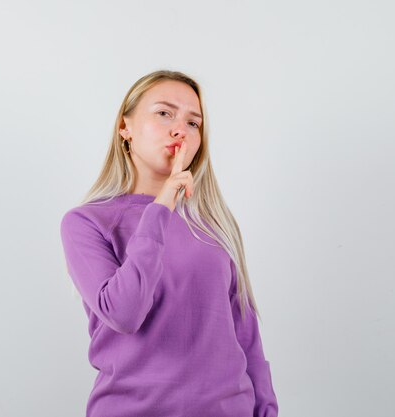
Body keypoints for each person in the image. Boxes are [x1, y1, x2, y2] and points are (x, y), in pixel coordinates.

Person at [59, 69, 279, 417]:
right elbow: (125, 313)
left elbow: (246, 337)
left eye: (194, 123)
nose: (181, 129)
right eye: (164, 113)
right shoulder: (86, 223)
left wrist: (266, 410)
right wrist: (162, 205)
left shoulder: (215, 225)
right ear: (124, 127)